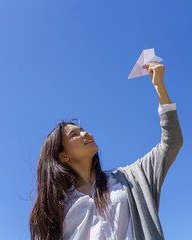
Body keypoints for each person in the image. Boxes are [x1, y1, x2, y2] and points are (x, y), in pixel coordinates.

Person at [29, 62, 184, 240]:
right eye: (74, 134)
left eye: (82, 130)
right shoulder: (58, 209)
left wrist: (159, 86)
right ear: (63, 156)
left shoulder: (131, 179)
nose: (85, 133)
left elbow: (172, 143)